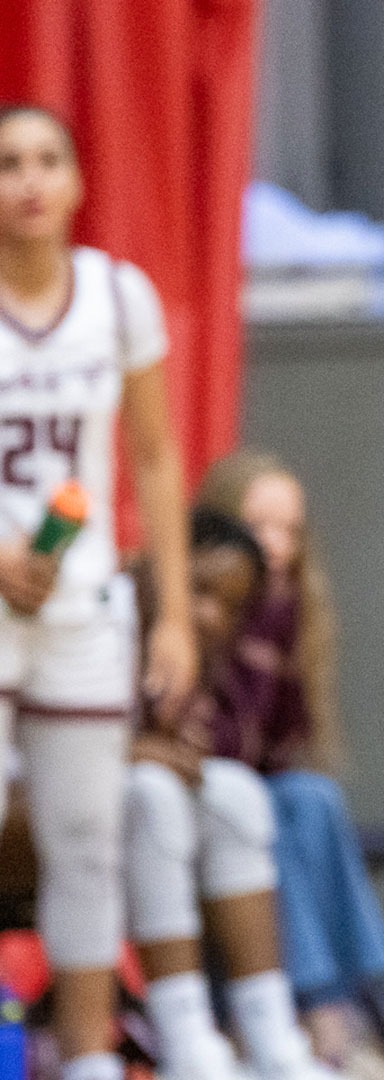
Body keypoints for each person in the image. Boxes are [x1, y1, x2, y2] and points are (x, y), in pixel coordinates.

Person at [0, 104, 198, 1080]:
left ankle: (85, 1058)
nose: (29, 180)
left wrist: (170, 615)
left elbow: (156, 458)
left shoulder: (120, 297)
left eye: (47, 160)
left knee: (87, 839)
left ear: (78, 181)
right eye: (8, 163)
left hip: (83, 602)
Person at [195, 450, 384, 1076]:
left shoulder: (294, 611)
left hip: (250, 785)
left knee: (311, 797)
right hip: (198, 786)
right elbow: (210, 734)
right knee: (260, 811)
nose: (277, 545)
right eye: (260, 528)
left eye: (290, 530)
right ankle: (312, 1017)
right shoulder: (197, 601)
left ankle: (329, 1007)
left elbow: (287, 739)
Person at [124, 508, 341, 1080]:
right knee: (152, 792)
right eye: (197, 591)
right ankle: (186, 1041)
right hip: (53, 806)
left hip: (148, 809)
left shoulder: (215, 657)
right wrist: (140, 750)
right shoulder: (109, 612)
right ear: (160, 568)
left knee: (237, 793)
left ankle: (273, 1039)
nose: (210, 614)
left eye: (229, 605)